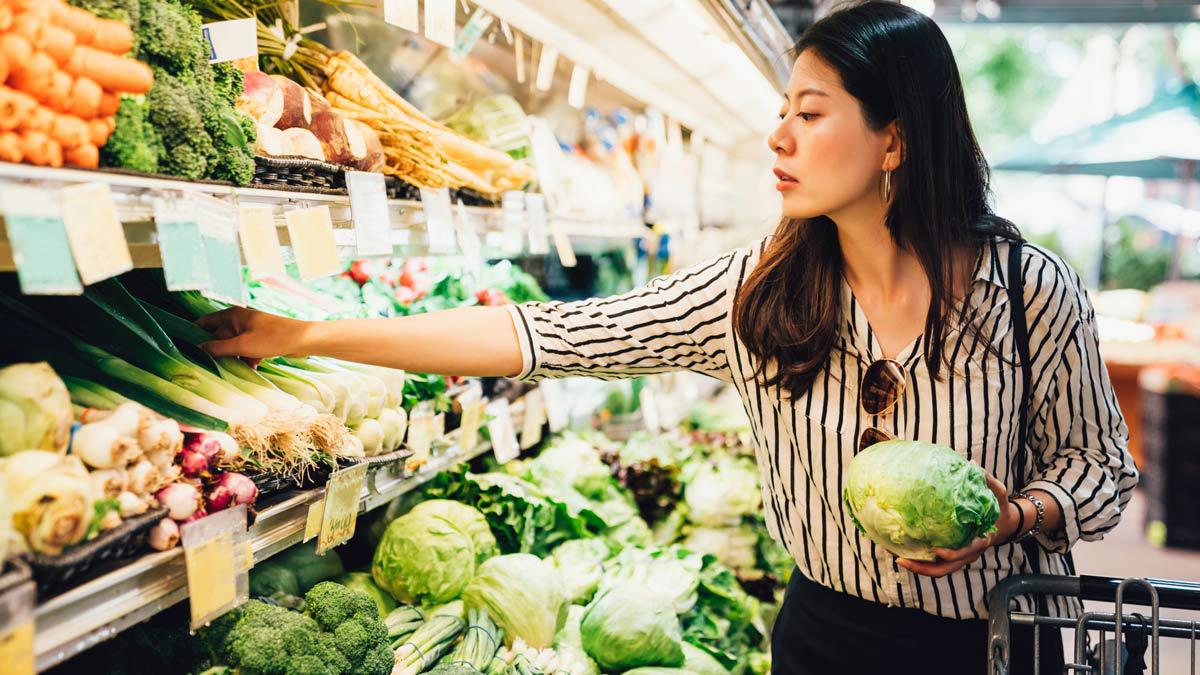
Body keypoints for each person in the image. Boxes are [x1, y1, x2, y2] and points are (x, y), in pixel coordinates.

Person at [198, 2, 1137, 673]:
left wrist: (1009, 518)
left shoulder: (1027, 291)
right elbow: (542, 334)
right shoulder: (759, 297)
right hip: (824, 639)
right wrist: (306, 331)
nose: (779, 137)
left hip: (997, 642)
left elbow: (1100, 467)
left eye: (809, 114)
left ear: (894, 140)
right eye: (782, 111)